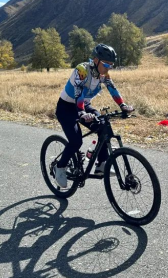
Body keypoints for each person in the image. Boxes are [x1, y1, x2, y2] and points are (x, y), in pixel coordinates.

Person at [54, 44, 134, 188]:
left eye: (111, 65)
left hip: (84, 105)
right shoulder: (82, 70)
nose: (108, 68)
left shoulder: (104, 75)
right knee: (76, 141)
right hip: (66, 107)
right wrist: (82, 113)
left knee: (103, 127)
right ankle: (60, 167)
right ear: (96, 60)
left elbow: (112, 89)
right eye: (106, 64)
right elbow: (79, 92)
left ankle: (101, 164)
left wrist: (122, 105)